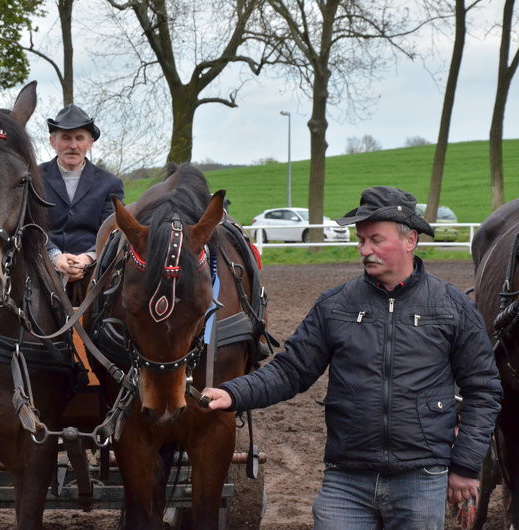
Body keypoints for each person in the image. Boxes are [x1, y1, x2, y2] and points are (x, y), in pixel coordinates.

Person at [201, 186, 502, 529]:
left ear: (410, 240)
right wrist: (233, 392)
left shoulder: (452, 307)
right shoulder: (336, 305)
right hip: (346, 481)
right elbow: (291, 371)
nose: (365, 250)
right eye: (361, 240)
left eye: (376, 240)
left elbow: (483, 389)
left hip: (422, 478)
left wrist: (464, 466)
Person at [39, 104, 124, 300]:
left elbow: (114, 230)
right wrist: (54, 256)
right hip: (43, 271)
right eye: (66, 138)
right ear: (53, 141)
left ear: (90, 142)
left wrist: (88, 257)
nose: (73, 145)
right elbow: (30, 225)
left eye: (79, 138)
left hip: (96, 273)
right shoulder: (35, 177)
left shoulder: (110, 183)